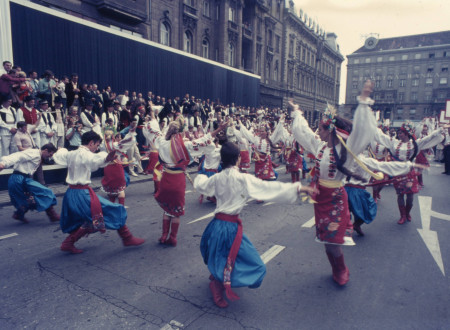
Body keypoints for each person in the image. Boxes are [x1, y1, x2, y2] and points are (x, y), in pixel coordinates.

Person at [195, 141, 314, 308]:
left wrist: (199, 176)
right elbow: (269, 189)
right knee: (254, 265)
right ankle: (216, 285)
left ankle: (216, 278)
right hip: (229, 228)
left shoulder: (217, 178)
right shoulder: (243, 179)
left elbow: (202, 184)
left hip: (217, 225)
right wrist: (298, 189)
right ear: (237, 159)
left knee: (221, 254)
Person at [288, 81, 377, 286]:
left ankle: (341, 269)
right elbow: (303, 133)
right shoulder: (319, 146)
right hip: (321, 199)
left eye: (320, 128)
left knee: (334, 242)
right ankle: (336, 269)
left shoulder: (345, 152)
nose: (317, 131)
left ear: (331, 130)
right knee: (326, 242)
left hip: (336, 199)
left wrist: (363, 102)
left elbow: (362, 133)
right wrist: (297, 112)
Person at [143, 112, 228, 247]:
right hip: (178, 180)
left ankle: (163, 235)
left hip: (166, 178)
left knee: (167, 210)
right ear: (180, 133)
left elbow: (154, 132)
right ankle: (172, 238)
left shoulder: (161, 142)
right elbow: (203, 140)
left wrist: (152, 117)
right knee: (176, 211)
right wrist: (218, 129)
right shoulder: (185, 145)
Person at [53, 131, 145, 254]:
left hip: (71, 193)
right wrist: (107, 158)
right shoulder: (86, 154)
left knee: (89, 219)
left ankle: (68, 243)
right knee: (113, 209)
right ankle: (127, 238)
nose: (96, 148)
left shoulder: (71, 153)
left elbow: (60, 154)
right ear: (91, 143)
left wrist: (59, 149)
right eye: (96, 145)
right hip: (82, 194)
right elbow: (96, 160)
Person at [371, 120, 444, 224]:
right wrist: (372, 126)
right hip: (399, 173)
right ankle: (402, 215)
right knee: (400, 195)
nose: (399, 134)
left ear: (406, 134)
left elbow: (428, 138)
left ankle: (407, 212)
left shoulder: (415, 144)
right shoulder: (394, 143)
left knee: (410, 197)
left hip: (409, 173)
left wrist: (438, 131)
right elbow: (381, 136)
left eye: (401, 132)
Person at [0, 143, 59, 223]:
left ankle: (18, 214)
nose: (50, 156)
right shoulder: (34, 153)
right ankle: (52, 215)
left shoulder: (39, 156)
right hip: (18, 179)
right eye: (50, 154)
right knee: (44, 192)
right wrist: (4, 164)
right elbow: (18, 156)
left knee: (31, 199)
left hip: (23, 179)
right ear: (45, 150)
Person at [101, 124, 137, 206]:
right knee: (120, 189)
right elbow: (130, 140)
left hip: (107, 167)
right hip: (116, 167)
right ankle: (121, 206)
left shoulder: (102, 145)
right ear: (113, 136)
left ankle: (111, 206)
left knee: (111, 190)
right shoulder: (116, 144)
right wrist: (131, 133)